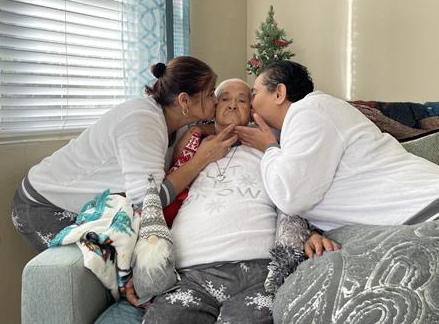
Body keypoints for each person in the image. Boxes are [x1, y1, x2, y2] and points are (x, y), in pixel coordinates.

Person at [235, 60, 439, 323]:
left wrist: (269, 148)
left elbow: (291, 196)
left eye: (254, 93)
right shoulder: (310, 119)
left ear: (279, 93)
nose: (250, 102)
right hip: (432, 217)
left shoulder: (308, 111)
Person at [138, 78, 340, 324]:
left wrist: (310, 232)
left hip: (257, 273)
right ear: (213, 106)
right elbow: (156, 198)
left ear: (252, 110)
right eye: (225, 98)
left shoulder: (273, 148)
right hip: (190, 275)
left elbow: (298, 190)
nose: (233, 104)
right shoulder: (192, 147)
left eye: (242, 100)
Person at [11, 56, 237, 252]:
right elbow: (148, 200)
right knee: (105, 268)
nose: (217, 100)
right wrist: (202, 158)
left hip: (85, 205)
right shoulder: (142, 121)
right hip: (44, 203)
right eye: (211, 94)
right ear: (184, 101)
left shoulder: (174, 123)